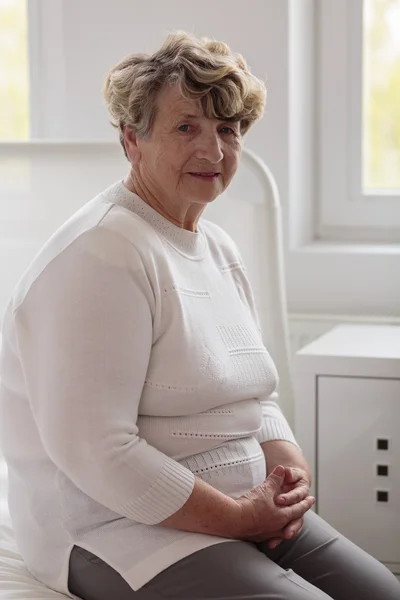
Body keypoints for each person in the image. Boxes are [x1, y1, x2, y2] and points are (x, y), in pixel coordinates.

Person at [0, 31, 399, 600]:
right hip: (119, 528)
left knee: (382, 592)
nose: (213, 152)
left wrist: (289, 479)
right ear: (131, 140)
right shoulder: (102, 254)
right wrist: (239, 519)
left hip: (240, 507)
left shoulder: (217, 248)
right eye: (186, 127)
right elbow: (100, 452)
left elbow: (251, 397)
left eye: (227, 130)